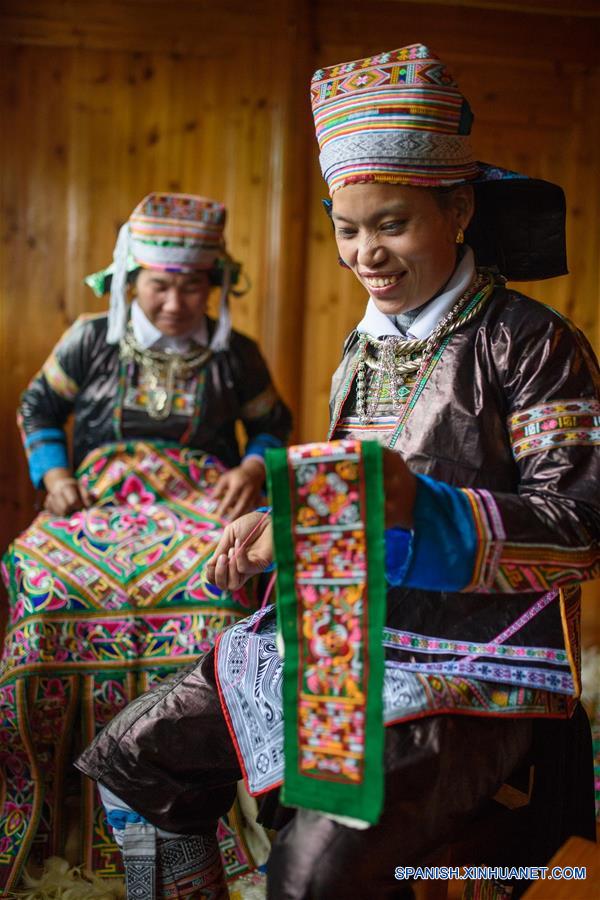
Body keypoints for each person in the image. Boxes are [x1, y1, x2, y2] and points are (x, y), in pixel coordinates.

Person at [76, 47, 600, 899]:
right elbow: (341, 512)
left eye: (392, 224)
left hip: (477, 665)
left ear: (460, 209)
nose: (366, 254)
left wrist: (425, 507)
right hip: (345, 637)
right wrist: (278, 531)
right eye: (348, 228)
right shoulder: (362, 349)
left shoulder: (531, 343)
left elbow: (581, 532)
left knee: (309, 876)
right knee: (131, 760)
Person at [0, 192, 291, 894]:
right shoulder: (90, 338)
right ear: (130, 279)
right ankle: (53, 806)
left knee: (215, 586)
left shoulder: (236, 355)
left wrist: (254, 467)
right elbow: (39, 406)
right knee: (43, 581)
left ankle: (206, 806)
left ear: (215, 285)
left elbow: (274, 427)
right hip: (98, 500)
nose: (175, 301)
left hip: (201, 502)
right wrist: (56, 473)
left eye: (193, 285)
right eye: (160, 284)